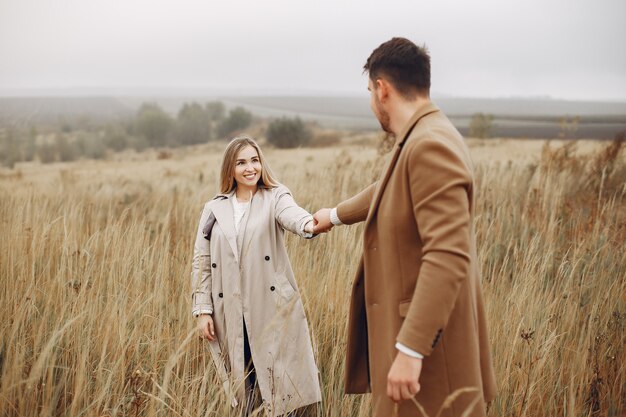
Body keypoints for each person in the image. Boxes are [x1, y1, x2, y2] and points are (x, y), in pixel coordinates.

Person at [313, 38, 497, 417]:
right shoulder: (422, 135)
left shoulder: (430, 145)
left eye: (369, 91)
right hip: (419, 352)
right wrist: (333, 215)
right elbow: (387, 188)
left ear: (383, 89)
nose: (370, 102)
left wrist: (411, 350)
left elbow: (448, 255)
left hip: (431, 360)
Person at [192, 135, 321, 416]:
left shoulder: (275, 196)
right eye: (241, 162)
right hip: (230, 310)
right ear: (230, 169)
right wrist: (203, 310)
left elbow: (293, 216)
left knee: (280, 383)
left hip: (269, 307)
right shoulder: (214, 209)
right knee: (244, 383)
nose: (250, 168)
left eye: (254, 160)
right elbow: (202, 263)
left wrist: (311, 224)